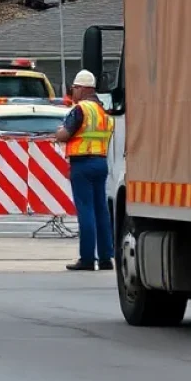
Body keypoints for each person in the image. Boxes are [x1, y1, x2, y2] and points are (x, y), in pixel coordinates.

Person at [56, 69, 114, 271]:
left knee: (86, 211)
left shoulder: (80, 109)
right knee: (101, 211)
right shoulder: (103, 111)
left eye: (74, 88)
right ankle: (106, 258)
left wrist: (58, 132)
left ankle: (87, 258)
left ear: (81, 88)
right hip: (101, 163)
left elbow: (65, 134)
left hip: (82, 164)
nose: (73, 92)